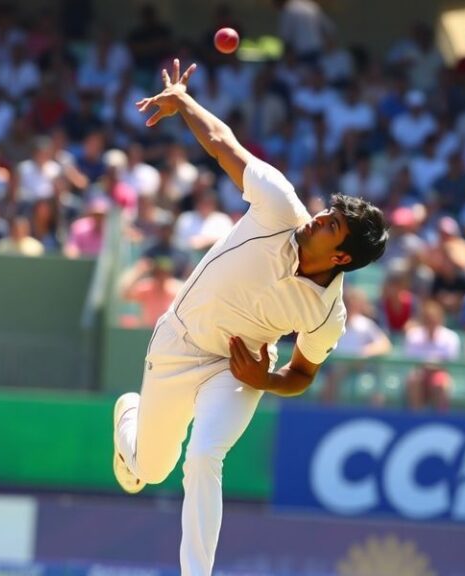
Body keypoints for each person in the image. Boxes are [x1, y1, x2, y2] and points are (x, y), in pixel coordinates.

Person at [112, 59, 388, 576]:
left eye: (331, 225)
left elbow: (303, 375)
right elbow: (223, 144)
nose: (319, 218)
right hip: (177, 343)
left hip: (236, 370)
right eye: (328, 212)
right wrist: (183, 101)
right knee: (150, 469)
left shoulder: (328, 313)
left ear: (343, 257)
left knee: (204, 458)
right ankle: (129, 419)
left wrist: (265, 379)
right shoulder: (281, 206)